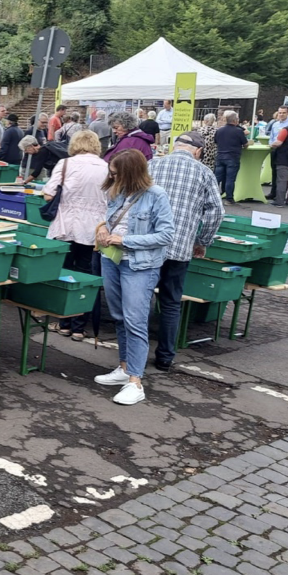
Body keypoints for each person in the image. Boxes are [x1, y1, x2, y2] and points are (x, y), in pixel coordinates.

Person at [93, 149, 175, 405]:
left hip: (140, 265)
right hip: (112, 259)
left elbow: (166, 235)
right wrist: (103, 228)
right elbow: (109, 218)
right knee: (119, 316)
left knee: (135, 321)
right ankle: (125, 367)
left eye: (117, 174)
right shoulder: (117, 191)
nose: (113, 177)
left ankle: (135, 381)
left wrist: (124, 239)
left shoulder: (156, 195)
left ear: (131, 173)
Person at [147, 131, 225, 371]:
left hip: (147, 244)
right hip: (180, 247)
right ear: (198, 152)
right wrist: (202, 240)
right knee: (171, 302)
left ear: (175, 146)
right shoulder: (203, 172)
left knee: (139, 299)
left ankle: (131, 354)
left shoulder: (152, 164)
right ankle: (165, 357)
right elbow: (216, 212)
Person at [42, 130, 109, 340]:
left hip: (66, 226)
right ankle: (80, 327)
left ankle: (64, 323)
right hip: (94, 229)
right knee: (87, 278)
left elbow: (48, 195)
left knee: (65, 274)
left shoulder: (65, 164)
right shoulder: (106, 167)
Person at [213, 110, 250, 205]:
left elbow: (216, 142)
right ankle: (229, 199)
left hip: (220, 156)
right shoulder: (239, 131)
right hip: (232, 157)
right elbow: (245, 144)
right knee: (230, 179)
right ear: (235, 120)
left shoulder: (219, 130)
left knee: (217, 178)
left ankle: (211, 196)